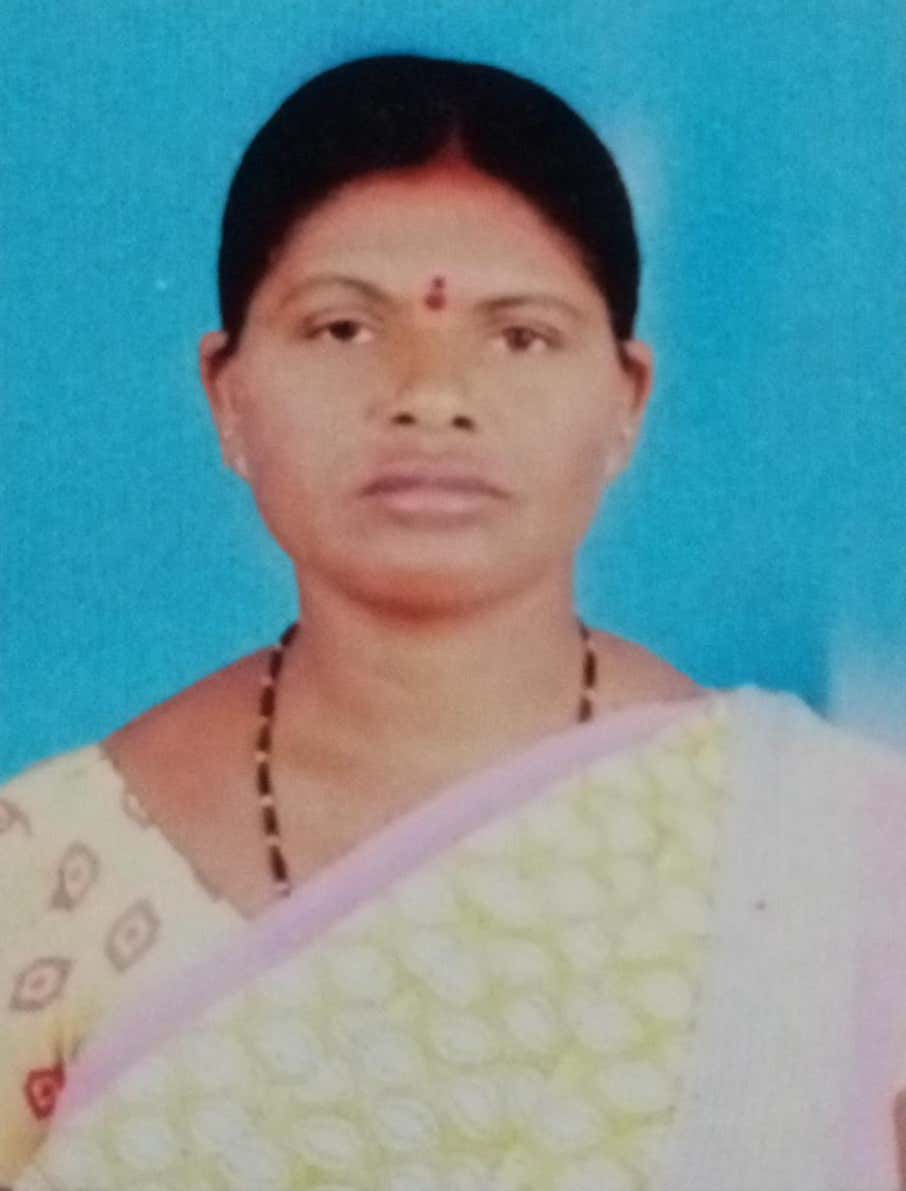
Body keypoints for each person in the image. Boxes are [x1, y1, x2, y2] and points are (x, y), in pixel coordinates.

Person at [3, 53, 905, 1191]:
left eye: (520, 336)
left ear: (625, 401)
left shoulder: (831, 856)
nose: (431, 395)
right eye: (343, 329)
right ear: (226, 393)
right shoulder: (45, 877)